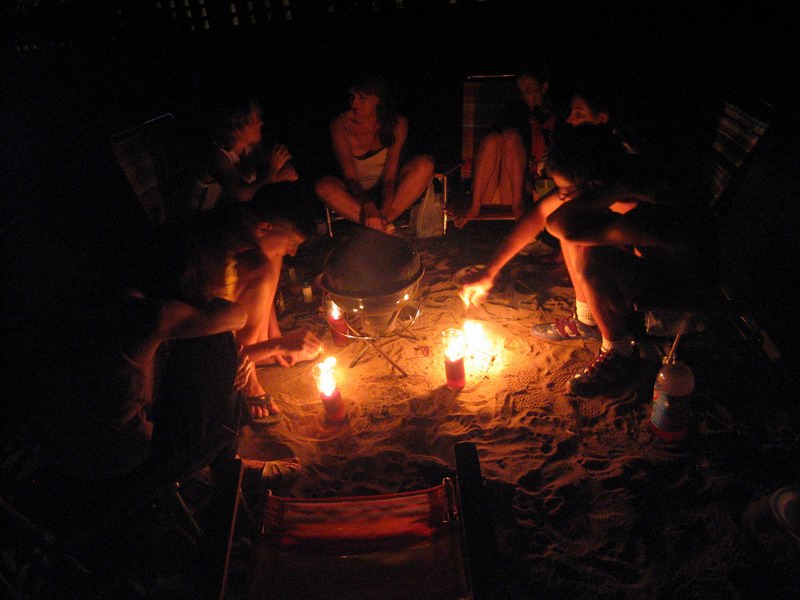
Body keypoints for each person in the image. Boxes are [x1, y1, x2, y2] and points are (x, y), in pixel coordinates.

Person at [8, 224, 299, 532]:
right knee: (217, 343)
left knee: (207, 342)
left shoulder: (101, 304)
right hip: (120, 474)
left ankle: (225, 463)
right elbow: (235, 315)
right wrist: (243, 354)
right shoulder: (149, 316)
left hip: (63, 460)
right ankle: (228, 468)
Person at [461, 125, 718, 397]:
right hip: (651, 263)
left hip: (680, 293)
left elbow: (558, 224)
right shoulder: (619, 178)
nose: (561, 197)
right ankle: (587, 320)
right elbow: (540, 215)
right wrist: (489, 272)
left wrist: (607, 194)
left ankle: (619, 352)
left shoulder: (653, 207)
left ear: (593, 187)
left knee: (588, 250)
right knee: (578, 231)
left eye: (565, 192)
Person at [200, 184, 324, 421]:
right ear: (264, 228)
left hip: (224, 339)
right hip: (198, 353)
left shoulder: (243, 232)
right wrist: (279, 345)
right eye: (292, 242)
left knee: (272, 259)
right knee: (265, 266)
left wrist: (274, 337)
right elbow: (212, 353)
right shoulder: (218, 264)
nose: (294, 252)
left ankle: (258, 348)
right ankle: (249, 379)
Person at [315, 72, 435, 233]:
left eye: (362, 98)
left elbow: (389, 178)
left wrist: (383, 211)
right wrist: (368, 205)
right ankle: (379, 226)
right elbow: (350, 178)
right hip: (355, 193)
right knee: (324, 186)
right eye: (352, 96)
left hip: (389, 192)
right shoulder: (341, 124)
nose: (354, 103)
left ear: (377, 100)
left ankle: (383, 222)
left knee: (425, 164)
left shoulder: (396, 123)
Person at [454, 62, 564, 227]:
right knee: (494, 138)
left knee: (510, 136)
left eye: (529, 90)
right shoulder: (514, 113)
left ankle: (517, 204)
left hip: (523, 192)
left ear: (544, 87)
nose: (525, 96)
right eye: (520, 91)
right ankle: (475, 206)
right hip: (488, 192)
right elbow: (489, 152)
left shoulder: (556, 121)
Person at [192, 96, 299, 210]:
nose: (260, 122)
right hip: (203, 217)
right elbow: (240, 195)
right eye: (252, 120)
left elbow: (291, 173)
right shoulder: (219, 157)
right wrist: (271, 173)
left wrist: (271, 172)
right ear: (235, 128)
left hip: (230, 210)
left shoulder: (252, 142)